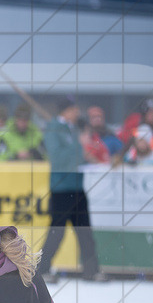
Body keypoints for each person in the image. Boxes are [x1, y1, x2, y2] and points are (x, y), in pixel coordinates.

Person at [38, 97, 104, 281]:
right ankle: (42, 269)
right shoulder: (53, 129)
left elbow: (77, 157)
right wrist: (79, 145)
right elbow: (57, 158)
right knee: (57, 232)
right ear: (66, 110)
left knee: (85, 231)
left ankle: (92, 270)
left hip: (77, 186)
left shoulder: (72, 129)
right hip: (61, 188)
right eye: (75, 109)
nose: (77, 113)